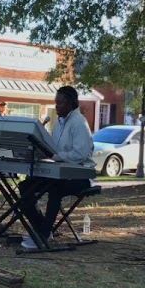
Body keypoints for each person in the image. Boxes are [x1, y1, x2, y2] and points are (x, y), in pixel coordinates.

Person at [19, 86, 96, 249]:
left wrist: (55, 156)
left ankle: (44, 235)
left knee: (55, 189)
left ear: (70, 103)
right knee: (25, 186)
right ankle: (41, 227)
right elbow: (53, 149)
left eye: (60, 103)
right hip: (59, 173)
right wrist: (39, 153)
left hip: (80, 176)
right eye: (56, 103)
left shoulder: (79, 123)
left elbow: (80, 154)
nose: (56, 107)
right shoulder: (59, 123)